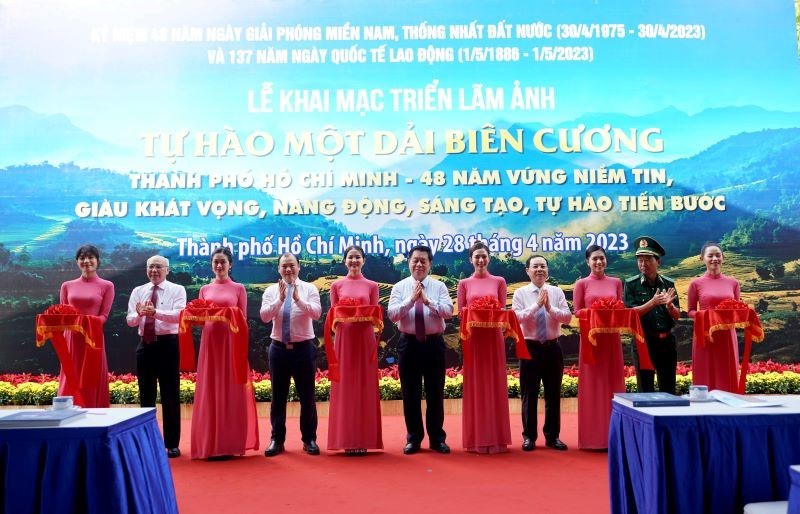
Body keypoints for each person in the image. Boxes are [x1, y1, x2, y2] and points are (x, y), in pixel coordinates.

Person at [191, 246, 259, 460]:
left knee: (232, 391)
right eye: (215, 262)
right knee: (210, 391)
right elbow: (201, 322)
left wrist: (226, 316)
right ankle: (210, 443)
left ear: (230, 265)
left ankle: (230, 443)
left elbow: (243, 320)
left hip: (231, 345)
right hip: (210, 345)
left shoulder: (239, 288)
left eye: (223, 262)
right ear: (211, 264)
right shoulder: (204, 289)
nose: (219, 265)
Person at [388, 244, 453, 455]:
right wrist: (411, 300)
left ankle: (437, 438)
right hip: (408, 344)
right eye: (415, 260)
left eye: (423, 261)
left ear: (430, 264)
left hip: (434, 344)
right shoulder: (399, 287)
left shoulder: (439, 287)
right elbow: (393, 315)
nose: (418, 264)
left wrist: (427, 301)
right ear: (409, 262)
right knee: (410, 393)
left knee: (435, 393)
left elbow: (448, 312)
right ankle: (414, 438)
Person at [259, 253, 322, 456]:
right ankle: (277, 439)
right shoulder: (270, 291)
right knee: (278, 397)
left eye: (291, 266)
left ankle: (309, 439)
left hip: (304, 348)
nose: (288, 270)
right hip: (278, 349)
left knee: (307, 397)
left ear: (298, 267)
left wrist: (298, 300)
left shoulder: (310, 289)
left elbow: (316, 313)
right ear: (278, 269)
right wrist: (280, 299)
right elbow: (264, 317)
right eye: (284, 266)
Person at [126, 255, 186, 458]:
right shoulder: (138, 291)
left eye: (158, 267)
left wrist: (155, 313)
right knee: (146, 396)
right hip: (145, 345)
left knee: (170, 395)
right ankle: (147, 442)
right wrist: (140, 314)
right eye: (150, 267)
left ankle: (172, 444)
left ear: (167, 270)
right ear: (146, 270)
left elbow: (179, 316)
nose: (154, 270)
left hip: (168, 345)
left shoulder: (177, 290)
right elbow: (130, 320)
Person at [327, 245, 383, 455]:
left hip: (365, 339)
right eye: (350, 257)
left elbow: (375, 314)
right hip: (343, 341)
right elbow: (334, 317)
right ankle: (345, 438)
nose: (354, 261)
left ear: (363, 260)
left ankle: (364, 438)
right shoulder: (336, 285)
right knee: (345, 388)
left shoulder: (372, 286)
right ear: (344, 261)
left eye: (357, 257)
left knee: (364, 387)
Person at [511, 255, 571, 452]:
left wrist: (549, 308)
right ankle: (529, 436)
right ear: (527, 270)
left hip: (553, 347)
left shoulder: (556, 292)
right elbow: (516, 318)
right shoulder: (520, 293)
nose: (539, 270)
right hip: (530, 348)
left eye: (543, 266)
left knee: (553, 394)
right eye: (535, 266)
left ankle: (552, 436)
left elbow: (567, 317)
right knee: (529, 394)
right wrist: (537, 305)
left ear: (548, 270)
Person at [456, 241, 511, 454]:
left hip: (493, 339)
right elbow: (462, 314)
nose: (480, 260)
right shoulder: (464, 284)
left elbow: (502, 310)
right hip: (474, 340)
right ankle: (476, 438)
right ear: (470, 259)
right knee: (476, 386)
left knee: (495, 383)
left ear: (489, 258)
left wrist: (489, 311)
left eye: (484, 256)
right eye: (476, 256)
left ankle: (497, 439)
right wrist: (475, 312)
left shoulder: (499, 281)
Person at [573, 244, 624, 450]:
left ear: (606, 260)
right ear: (588, 262)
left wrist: (609, 311)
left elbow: (620, 308)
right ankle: (593, 438)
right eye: (594, 259)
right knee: (593, 386)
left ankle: (614, 437)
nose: (599, 262)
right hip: (591, 339)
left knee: (613, 385)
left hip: (611, 339)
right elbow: (577, 311)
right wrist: (595, 312)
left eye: (602, 258)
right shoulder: (581, 284)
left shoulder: (616, 282)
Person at [59, 244, 114, 408]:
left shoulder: (107, 285)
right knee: (71, 375)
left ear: (97, 261)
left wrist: (86, 322)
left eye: (91, 257)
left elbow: (104, 316)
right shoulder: (66, 285)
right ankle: (67, 415)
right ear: (77, 262)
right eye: (82, 258)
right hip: (71, 339)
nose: (86, 261)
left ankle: (94, 414)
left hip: (93, 337)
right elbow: (62, 314)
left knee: (92, 377)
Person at [623, 237, 681, 394]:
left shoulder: (668, 284)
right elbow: (629, 314)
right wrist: (653, 302)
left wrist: (669, 306)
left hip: (667, 342)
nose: (643, 264)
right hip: (644, 342)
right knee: (645, 390)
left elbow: (677, 315)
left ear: (658, 262)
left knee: (668, 389)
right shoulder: (631, 284)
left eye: (648, 259)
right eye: (640, 260)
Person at [687, 242, 742, 392]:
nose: (714, 259)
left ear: (723, 257)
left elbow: (737, 308)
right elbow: (691, 311)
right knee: (705, 372)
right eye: (710, 255)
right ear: (702, 258)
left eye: (718, 255)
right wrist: (706, 316)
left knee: (727, 373)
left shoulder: (733, 283)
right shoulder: (696, 283)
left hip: (726, 336)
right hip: (704, 334)